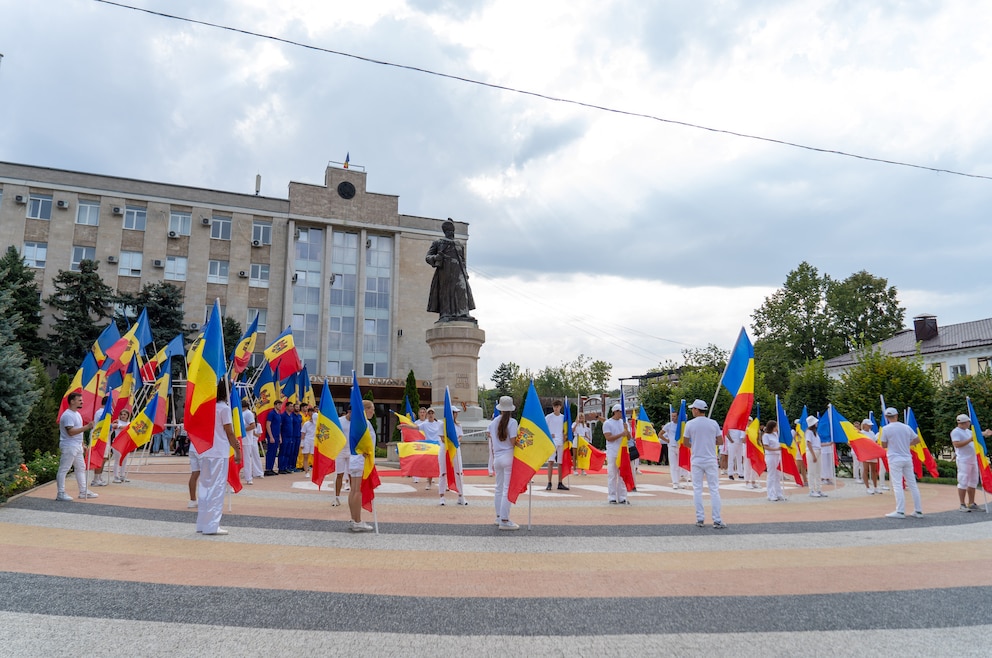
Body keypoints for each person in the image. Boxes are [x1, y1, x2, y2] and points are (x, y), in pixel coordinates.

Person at [196, 381, 241, 535]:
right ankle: (212, 525)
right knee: (217, 488)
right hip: (219, 451)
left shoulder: (208, 407)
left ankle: (202, 523)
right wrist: (237, 450)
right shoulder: (224, 408)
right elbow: (229, 432)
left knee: (205, 487)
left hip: (206, 450)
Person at [683, 399, 726, 529]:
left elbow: (685, 442)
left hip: (696, 459)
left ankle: (700, 518)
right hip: (710, 459)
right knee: (714, 489)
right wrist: (709, 443)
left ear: (696, 409)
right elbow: (720, 441)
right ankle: (717, 519)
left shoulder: (690, 424)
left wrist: (696, 445)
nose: (692, 411)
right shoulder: (713, 424)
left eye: (692, 409)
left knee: (697, 489)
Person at [425, 219, 476, 323]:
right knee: (446, 291)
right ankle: (446, 314)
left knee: (461, 289)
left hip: (458, 270)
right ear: (445, 231)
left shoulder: (459, 244)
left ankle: (463, 313)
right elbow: (428, 257)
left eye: (452, 230)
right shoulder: (438, 243)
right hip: (445, 270)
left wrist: (465, 273)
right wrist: (437, 257)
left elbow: (462, 260)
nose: (451, 233)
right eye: (448, 231)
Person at [880, 407, 923, 519]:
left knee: (897, 484)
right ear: (897, 415)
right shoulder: (906, 427)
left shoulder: (886, 429)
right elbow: (917, 440)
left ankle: (900, 511)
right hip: (907, 457)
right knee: (912, 484)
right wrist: (907, 444)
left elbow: (884, 445)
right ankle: (918, 510)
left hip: (894, 458)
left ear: (887, 417)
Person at [56, 392, 97, 501]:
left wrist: (82, 443)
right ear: (72, 401)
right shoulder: (67, 415)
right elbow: (71, 432)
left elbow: (78, 432)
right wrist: (87, 427)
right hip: (69, 445)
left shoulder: (77, 414)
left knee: (81, 468)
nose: (82, 402)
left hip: (77, 445)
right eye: (79, 400)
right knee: (64, 469)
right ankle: (61, 493)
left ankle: (83, 491)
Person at [488, 396, 519, 530]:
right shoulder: (512, 422)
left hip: (497, 458)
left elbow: (490, 435)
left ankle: (499, 516)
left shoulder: (493, 422)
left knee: (499, 488)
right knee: (506, 489)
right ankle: (505, 520)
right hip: (508, 456)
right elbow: (513, 442)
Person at [345, 399, 376, 532]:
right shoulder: (364, 423)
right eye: (372, 409)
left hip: (354, 458)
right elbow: (366, 442)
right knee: (357, 490)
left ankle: (354, 519)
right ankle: (357, 521)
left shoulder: (357, 422)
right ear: (366, 409)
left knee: (353, 490)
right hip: (360, 459)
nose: (373, 412)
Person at [950, 414, 979, 512]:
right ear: (963, 423)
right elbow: (957, 444)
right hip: (963, 460)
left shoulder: (968, 431)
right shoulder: (956, 432)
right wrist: (970, 440)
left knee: (973, 481)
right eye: (968, 422)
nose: (969, 424)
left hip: (972, 459)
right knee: (963, 481)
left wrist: (985, 433)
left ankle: (971, 503)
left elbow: (977, 434)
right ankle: (962, 504)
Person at [602, 403, 630, 504]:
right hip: (613, 452)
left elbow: (629, 438)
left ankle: (622, 496)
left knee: (622, 475)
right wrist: (621, 434)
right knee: (612, 475)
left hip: (623, 452)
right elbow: (608, 438)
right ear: (615, 412)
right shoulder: (608, 423)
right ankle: (612, 496)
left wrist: (627, 430)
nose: (622, 414)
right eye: (621, 412)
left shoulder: (624, 422)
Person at [439, 408, 467, 506]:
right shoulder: (442, 425)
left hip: (455, 449)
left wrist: (456, 441)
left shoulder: (458, 425)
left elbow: (460, 437)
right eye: (454, 413)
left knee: (459, 472)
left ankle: (461, 495)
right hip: (445, 450)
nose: (456, 414)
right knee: (443, 472)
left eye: (456, 413)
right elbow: (442, 438)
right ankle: (442, 496)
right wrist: (450, 441)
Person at [545, 400, 568, 491]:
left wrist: (565, 435)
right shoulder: (549, 417)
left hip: (561, 441)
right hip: (552, 441)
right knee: (551, 461)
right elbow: (544, 427)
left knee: (560, 462)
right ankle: (549, 482)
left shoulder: (563, 417)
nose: (556, 408)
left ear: (560, 407)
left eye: (558, 406)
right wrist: (549, 434)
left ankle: (560, 482)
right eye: (555, 407)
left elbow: (566, 428)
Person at [333, 407, 353, 507]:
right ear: (349, 412)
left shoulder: (356, 422)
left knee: (352, 475)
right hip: (340, 450)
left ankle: (353, 497)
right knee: (339, 474)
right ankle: (336, 498)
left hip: (351, 451)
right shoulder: (340, 421)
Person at [762, 420, 785, 501]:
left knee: (777, 475)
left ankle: (778, 493)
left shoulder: (776, 434)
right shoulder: (766, 436)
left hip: (777, 456)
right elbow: (766, 446)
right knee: (771, 475)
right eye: (776, 427)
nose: (777, 428)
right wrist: (776, 449)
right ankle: (770, 494)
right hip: (770, 456)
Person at [241, 402, 263, 484]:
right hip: (240, 439)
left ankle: (249, 478)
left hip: (246, 439)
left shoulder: (248, 413)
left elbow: (253, 426)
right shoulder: (242, 413)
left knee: (247, 459)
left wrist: (242, 431)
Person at [661, 410, 684, 489]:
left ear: (678, 416)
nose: (673, 418)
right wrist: (667, 440)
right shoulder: (669, 425)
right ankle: (674, 482)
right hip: (671, 446)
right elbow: (660, 434)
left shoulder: (681, 425)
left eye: (674, 416)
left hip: (680, 447)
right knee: (673, 465)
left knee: (679, 465)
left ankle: (678, 482)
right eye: (672, 416)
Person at [805, 416, 826, 498]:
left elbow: (817, 444)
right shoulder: (809, 432)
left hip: (818, 451)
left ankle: (818, 489)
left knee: (818, 471)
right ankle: (811, 490)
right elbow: (809, 443)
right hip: (812, 452)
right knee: (812, 471)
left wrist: (828, 444)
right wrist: (813, 455)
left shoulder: (815, 433)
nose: (817, 423)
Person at [421, 408, 442, 491]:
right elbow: (415, 427)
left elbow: (447, 427)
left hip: (438, 446)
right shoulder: (424, 424)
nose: (430, 415)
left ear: (434, 414)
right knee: (430, 466)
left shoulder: (439, 423)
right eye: (429, 413)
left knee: (441, 465)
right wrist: (405, 426)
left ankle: (444, 483)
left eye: (432, 413)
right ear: (427, 414)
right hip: (429, 447)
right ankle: (429, 483)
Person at [111, 408, 132, 484]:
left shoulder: (130, 423)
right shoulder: (117, 422)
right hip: (117, 443)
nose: (123, 416)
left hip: (126, 444)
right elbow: (119, 427)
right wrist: (130, 427)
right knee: (117, 460)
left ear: (127, 416)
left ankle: (122, 476)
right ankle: (116, 476)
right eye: (121, 414)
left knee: (124, 461)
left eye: (124, 414)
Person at [861, 418, 879, 494]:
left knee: (874, 470)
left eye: (870, 425)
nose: (870, 426)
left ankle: (875, 487)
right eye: (868, 425)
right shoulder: (861, 433)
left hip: (873, 453)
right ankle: (867, 487)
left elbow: (875, 441)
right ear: (864, 425)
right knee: (866, 469)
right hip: (865, 453)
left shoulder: (872, 433)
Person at [264, 403, 282, 476]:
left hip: (277, 435)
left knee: (274, 452)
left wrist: (280, 436)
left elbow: (279, 426)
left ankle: (271, 468)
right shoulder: (271, 413)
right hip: (272, 435)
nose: (280, 406)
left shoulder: (279, 414)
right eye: (278, 405)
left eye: (281, 405)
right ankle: (268, 469)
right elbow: (268, 425)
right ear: (275, 405)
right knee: (270, 452)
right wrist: (271, 436)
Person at [300, 406, 316, 476]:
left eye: (313, 412)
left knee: (315, 456)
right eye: (311, 412)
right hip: (307, 440)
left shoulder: (318, 424)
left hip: (314, 441)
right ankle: (306, 472)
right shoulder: (306, 424)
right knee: (306, 456)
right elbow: (303, 433)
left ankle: (317, 471)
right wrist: (302, 443)